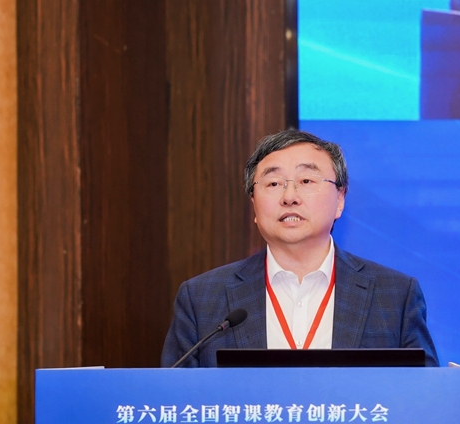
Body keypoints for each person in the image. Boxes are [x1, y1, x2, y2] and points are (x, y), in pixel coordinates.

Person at [160, 130, 438, 367]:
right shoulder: (202, 298)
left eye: (306, 181)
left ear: (340, 199)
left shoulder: (395, 296)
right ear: (254, 204)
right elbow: (174, 402)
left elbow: (426, 400)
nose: (290, 197)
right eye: (273, 183)